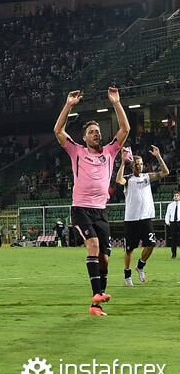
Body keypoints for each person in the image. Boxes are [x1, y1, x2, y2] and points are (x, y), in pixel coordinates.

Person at [54, 88, 129, 316]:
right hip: (81, 209)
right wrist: (69, 105)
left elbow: (125, 129)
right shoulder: (76, 151)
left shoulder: (110, 152)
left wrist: (116, 103)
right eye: (91, 132)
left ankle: (96, 306)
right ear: (84, 138)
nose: (96, 134)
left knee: (105, 259)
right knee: (94, 246)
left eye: (97, 131)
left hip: (101, 211)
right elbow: (58, 130)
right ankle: (97, 293)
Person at [116, 146, 169, 286]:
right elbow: (119, 180)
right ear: (132, 166)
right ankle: (127, 276)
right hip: (131, 219)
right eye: (136, 164)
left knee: (151, 245)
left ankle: (140, 266)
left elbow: (165, 172)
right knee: (129, 249)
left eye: (141, 164)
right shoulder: (128, 179)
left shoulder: (147, 177)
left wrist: (158, 156)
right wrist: (123, 163)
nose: (139, 166)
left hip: (145, 218)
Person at [165, 191, 180, 259]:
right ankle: (173, 254)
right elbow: (167, 214)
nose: (176, 197)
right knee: (173, 239)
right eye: (175, 195)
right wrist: (168, 222)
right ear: (173, 197)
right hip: (173, 223)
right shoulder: (170, 205)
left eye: (177, 195)